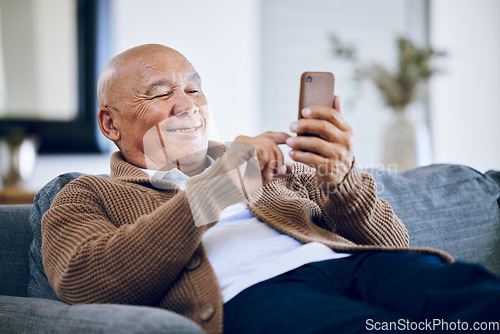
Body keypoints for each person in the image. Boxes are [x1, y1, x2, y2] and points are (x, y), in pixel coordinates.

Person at [41, 44, 499, 334]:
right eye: (161, 94)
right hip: (253, 297)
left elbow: (389, 245)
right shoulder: (84, 196)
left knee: (473, 297)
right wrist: (215, 190)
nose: (187, 105)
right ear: (110, 123)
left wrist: (340, 178)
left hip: (350, 269)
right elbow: (86, 280)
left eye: (194, 90)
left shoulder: (274, 166)